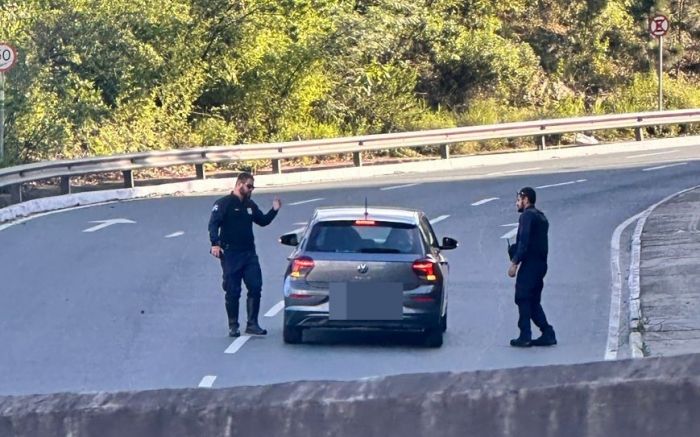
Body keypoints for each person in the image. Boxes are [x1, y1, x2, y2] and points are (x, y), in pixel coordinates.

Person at [208, 172, 281, 337]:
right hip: (231, 254)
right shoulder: (223, 204)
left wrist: (274, 210)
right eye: (249, 186)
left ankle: (252, 323)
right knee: (233, 290)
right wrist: (215, 243)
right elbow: (213, 224)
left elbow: (262, 221)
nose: (251, 190)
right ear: (239, 184)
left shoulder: (250, 205)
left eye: (252, 187)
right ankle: (233, 325)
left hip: (249, 253)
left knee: (255, 286)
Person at [507, 187, 557, 347]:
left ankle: (525, 335)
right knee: (533, 301)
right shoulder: (540, 217)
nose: (517, 203)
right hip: (541, 265)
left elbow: (525, 242)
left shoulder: (527, 216)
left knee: (522, 297)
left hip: (531, 265)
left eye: (519, 200)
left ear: (526, 199)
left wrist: (514, 263)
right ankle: (548, 333)